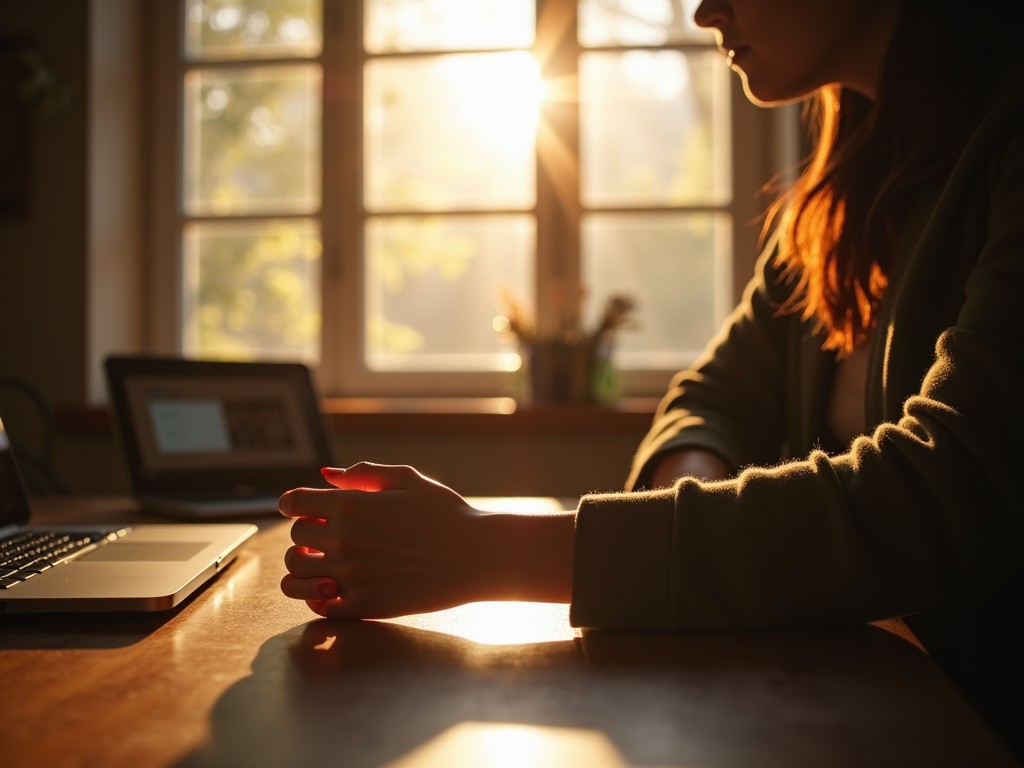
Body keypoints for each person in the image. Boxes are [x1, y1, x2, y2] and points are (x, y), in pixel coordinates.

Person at [279, 0, 1024, 754]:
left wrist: (487, 552)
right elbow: (714, 398)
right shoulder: (845, 188)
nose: (704, 12)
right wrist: (685, 495)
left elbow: (947, 490)